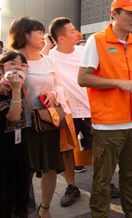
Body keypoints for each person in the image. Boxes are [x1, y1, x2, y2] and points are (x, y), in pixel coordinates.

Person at [78, 0, 132, 218]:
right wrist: (117, 83)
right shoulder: (97, 40)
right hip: (108, 125)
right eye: (130, 13)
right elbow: (83, 78)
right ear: (114, 14)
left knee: (131, 178)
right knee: (102, 180)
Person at [9, 16, 68, 218]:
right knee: (23, 172)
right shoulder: (13, 60)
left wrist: (53, 94)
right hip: (22, 126)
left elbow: (60, 85)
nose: (44, 38)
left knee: (50, 168)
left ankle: (45, 209)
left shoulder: (49, 60)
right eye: (40, 33)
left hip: (48, 122)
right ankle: (22, 210)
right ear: (25, 34)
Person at [48, 17, 95, 207]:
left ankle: (104, 183)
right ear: (60, 38)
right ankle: (71, 186)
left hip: (91, 109)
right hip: (66, 112)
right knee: (67, 151)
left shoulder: (84, 52)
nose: (77, 34)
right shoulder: (50, 57)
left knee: (99, 150)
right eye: (72, 31)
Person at [0, 51, 30, 218]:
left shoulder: (18, 87)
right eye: (12, 63)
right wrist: (17, 90)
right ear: (1, 67)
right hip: (3, 150)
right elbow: (12, 117)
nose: (18, 67)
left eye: (22, 64)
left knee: (19, 191)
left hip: (18, 147)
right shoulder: (9, 89)